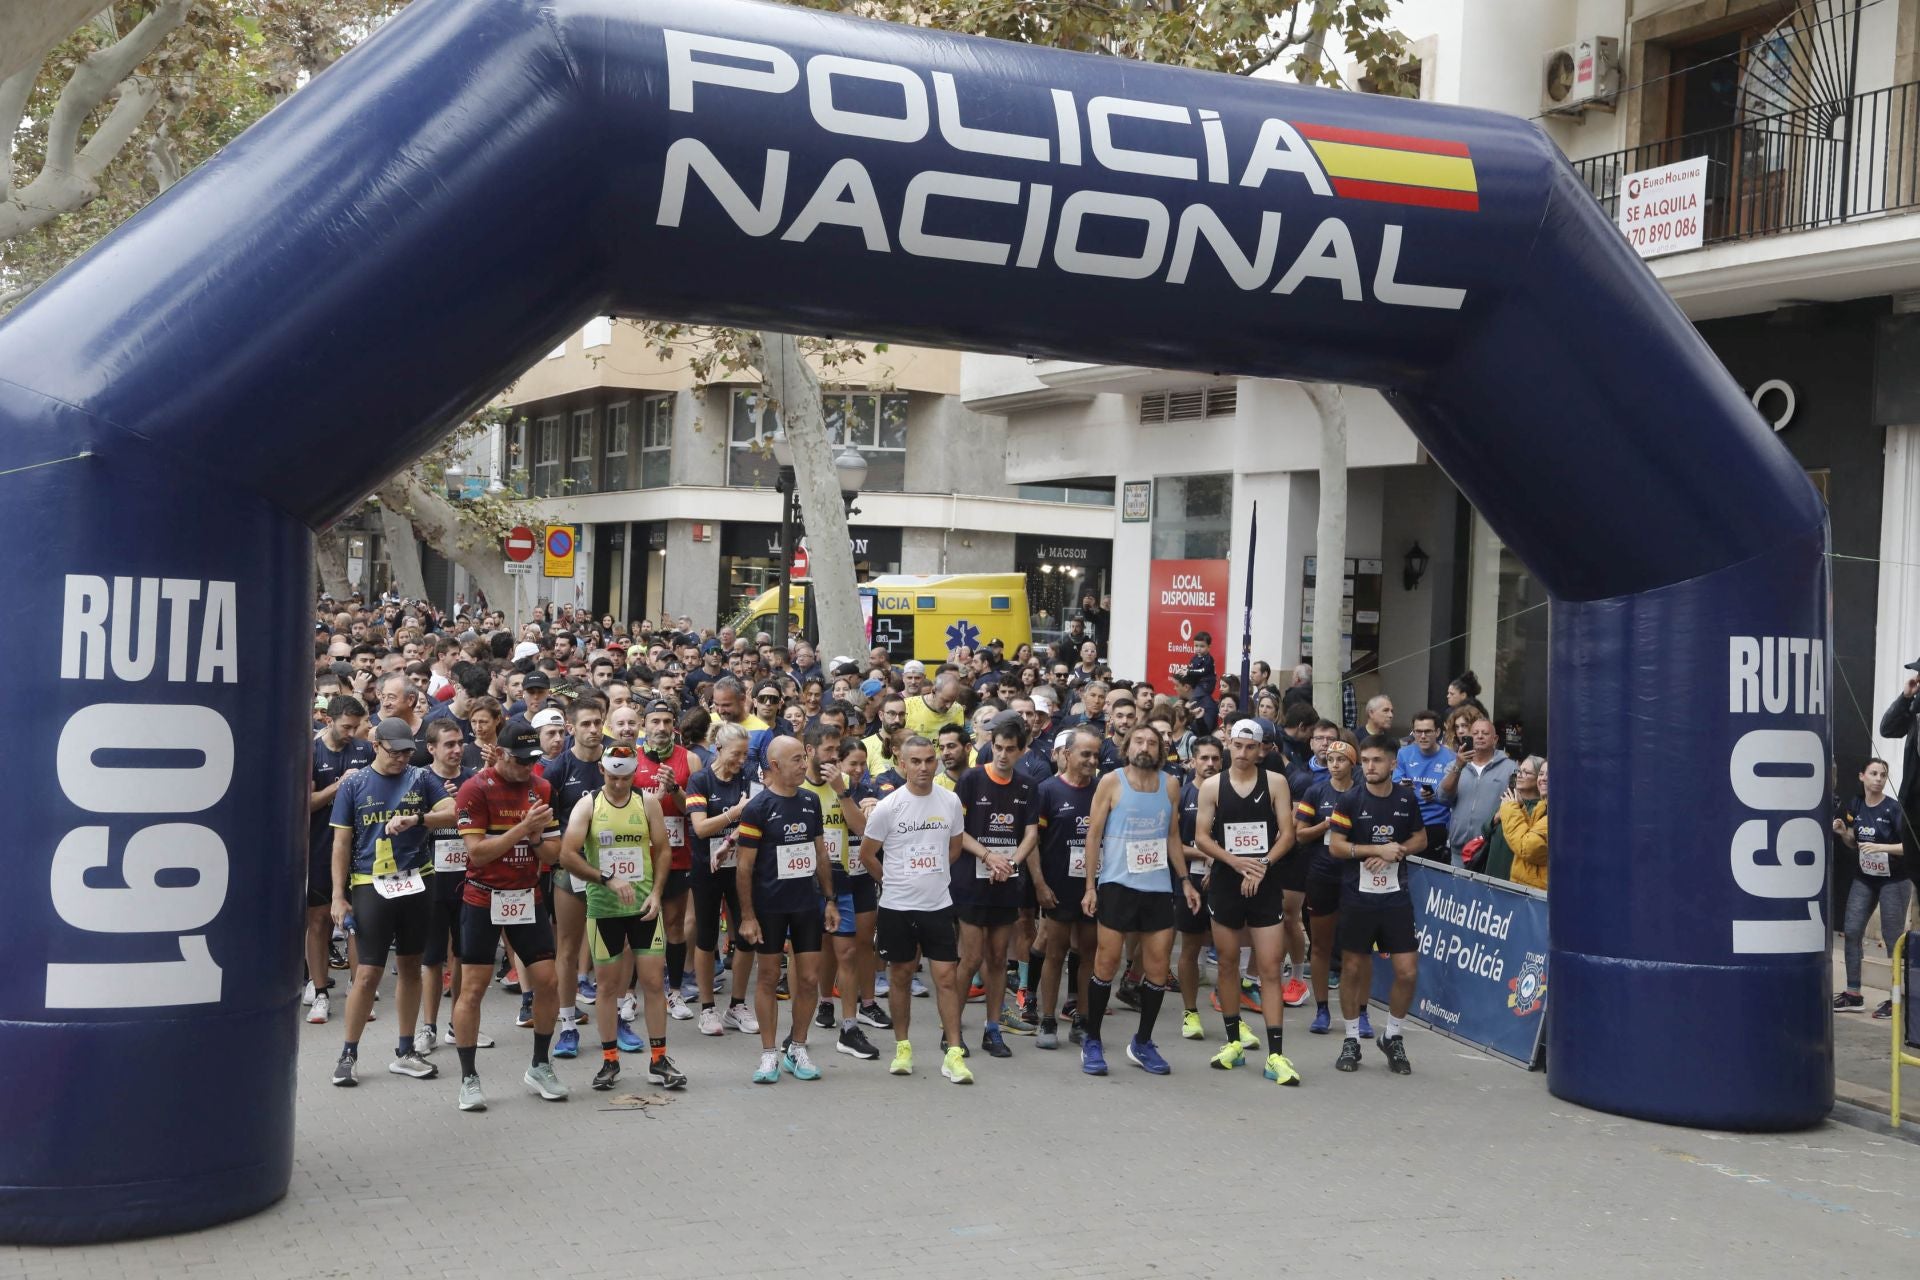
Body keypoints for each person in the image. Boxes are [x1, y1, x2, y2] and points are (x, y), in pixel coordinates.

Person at [327, 717, 454, 1087]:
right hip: (370, 884)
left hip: (418, 881)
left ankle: (405, 1050)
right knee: (367, 973)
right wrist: (339, 895)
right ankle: (348, 1053)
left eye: (406, 751)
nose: (401, 757)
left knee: (411, 966)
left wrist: (418, 819)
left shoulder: (420, 778)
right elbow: (341, 844)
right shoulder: (355, 784)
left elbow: (454, 813)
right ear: (375, 745)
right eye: (394, 750)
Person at [556, 742, 686, 1091]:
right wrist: (606, 878)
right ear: (603, 771)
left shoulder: (647, 803)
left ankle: (659, 1060)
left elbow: (663, 850)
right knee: (608, 987)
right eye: (613, 776)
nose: (619, 783)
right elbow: (567, 855)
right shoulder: (588, 806)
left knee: (654, 983)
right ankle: (609, 1061)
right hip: (604, 909)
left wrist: (657, 892)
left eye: (626, 776)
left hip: (643, 908)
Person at [452, 719, 567, 1112]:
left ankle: (540, 1065)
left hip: (527, 895)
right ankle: (468, 1077)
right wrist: (523, 829)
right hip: (483, 898)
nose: (526, 769)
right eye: (519, 761)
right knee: (473, 988)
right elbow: (477, 852)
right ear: (499, 753)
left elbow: (552, 856)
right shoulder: (474, 789)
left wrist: (536, 836)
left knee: (549, 982)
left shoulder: (541, 786)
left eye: (532, 761)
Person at [1079, 725, 1199, 1076]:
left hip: (1158, 886)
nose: (1145, 747)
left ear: (1161, 749)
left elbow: (1173, 836)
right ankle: (1093, 1039)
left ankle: (1142, 1042)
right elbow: (1094, 834)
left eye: (1152, 742)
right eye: (1139, 741)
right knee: (1107, 962)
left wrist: (1186, 881)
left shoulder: (1171, 784)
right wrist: (1090, 885)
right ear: (1127, 747)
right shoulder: (1111, 782)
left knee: (1158, 969)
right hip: (1117, 883)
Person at [857, 735, 972, 1083]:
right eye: (916, 761)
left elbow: (954, 849)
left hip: (938, 906)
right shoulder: (889, 806)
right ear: (902, 764)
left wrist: (933, 876)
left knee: (947, 978)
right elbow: (867, 854)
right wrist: (892, 883)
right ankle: (902, 1047)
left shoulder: (950, 801)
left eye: (929, 760)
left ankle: (954, 1053)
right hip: (897, 907)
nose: (924, 767)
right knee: (901, 976)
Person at [1194, 720, 1302, 1085]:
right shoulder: (1211, 786)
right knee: (1226, 965)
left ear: (1260, 750)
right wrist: (1235, 862)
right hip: (1227, 881)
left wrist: (1262, 865)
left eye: (1248, 747)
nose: (1241, 753)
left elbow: (1288, 833)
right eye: (1236, 746)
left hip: (1265, 882)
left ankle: (1275, 1055)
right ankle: (1233, 1043)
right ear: (1229, 745)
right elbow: (1202, 837)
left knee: (1270, 968)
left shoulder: (1275, 783)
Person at [735, 736, 838, 1083]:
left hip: (806, 905)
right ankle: (768, 1054)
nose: (803, 764)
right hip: (769, 907)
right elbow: (744, 867)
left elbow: (821, 854)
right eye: (796, 759)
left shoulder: (811, 801)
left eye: (804, 757)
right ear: (775, 766)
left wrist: (830, 899)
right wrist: (747, 916)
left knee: (809, 979)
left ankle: (798, 1046)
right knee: (766, 978)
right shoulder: (758, 808)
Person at [1328, 734, 1425, 1076]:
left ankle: (1393, 1036)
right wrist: (1373, 851)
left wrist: (1397, 849)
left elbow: (1421, 838)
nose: (1369, 766)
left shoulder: (1406, 798)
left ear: (1393, 764)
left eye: (1377, 760)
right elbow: (1336, 847)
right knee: (1352, 969)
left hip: (1396, 898)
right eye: (1365, 760)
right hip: (1358, 897)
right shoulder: (1351, 800)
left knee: (1407, 971)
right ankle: (1351, 1039)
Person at [952, 713, 1039, 1060]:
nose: (1003, 755)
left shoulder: (1027, 785)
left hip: (1006, 880)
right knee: (971, 957)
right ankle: (953, 1031)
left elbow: (1031, 834)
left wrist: (1011, 863)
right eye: (998, 748)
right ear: (990, 745)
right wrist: (989, 856)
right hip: (972, 879)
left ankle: (992, 1029)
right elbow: (957, 829)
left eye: (1010, 750)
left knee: (999, 957)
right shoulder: (972, 779)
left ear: (1021, 751)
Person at [797, 726, 883, 1061]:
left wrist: (842, 792)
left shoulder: (842, 786)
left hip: (840, 880)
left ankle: (849, 1028)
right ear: (810, 750)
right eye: (829, 750)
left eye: (837, 751)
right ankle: (800, 1028)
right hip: (803, 883)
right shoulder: (796, 787)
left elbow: (862, 829)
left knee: (846, 953)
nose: (834, 757)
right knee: (806, 959)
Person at [538, 693, 608, 1059]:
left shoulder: (617, 759)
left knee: (616, 947)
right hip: (571, 872)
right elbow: (547, 826)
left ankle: (619, 1020)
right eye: (586, 724)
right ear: (571, 728)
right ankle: (567, 1024)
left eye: (598, 722)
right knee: (567, 948)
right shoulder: (557, 770)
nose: (594, 730)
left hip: (615, 869)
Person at [684, 722, 759, 1036]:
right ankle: (707, 1008)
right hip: (706, 868)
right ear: (718, 749)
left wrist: (734, 832)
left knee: (746, 936)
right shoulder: (700, 780)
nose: (741, 760)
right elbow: (700, 828)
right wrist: (734, 813)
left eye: (745, 754)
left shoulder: (748, 777)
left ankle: (737, 1005)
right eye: (735, 754)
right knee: (706, 936)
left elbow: (757, 819)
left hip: (741, 869)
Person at [306, 694, 373, 1025]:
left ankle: (358, 989)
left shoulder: (363, 750)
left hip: (359, 849)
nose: (352, 732)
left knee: (356, 922)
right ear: (329, 720)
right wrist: (339, 786)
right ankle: (319, 992)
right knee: (318, 920)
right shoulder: (312, 750)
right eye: (346, 726)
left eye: (356, 726)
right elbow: (307, 803)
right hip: (319, 848)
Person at [417, 718, 479, 1057]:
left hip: (469, 880)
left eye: (459, 743)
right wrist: (438, 808)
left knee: (464, 955)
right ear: (431, 748)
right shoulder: (420, 779)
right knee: (432, 957)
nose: (456, 750)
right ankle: (428, 1026)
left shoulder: (474, 778)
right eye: (448, 745)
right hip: (431, 880)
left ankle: (459, 1023)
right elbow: (410, 824)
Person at [631, 700, 697, 1019]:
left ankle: (674, 993)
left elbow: (694, 812)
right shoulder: (630, 757)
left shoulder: (689, 759)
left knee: (673, 924)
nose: (660, 727)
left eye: (666, 721)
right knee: (634, 923)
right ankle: (628, 993)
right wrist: (652, 805)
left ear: (675, 726)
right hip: (639, 857)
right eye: (654, 721)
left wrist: (674, 790)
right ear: (645, 725)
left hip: (677, 855)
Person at [1834, 758, 1911, 1018]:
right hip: (1865, 878)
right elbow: (1854, 843)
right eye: (1874, 773)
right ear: (1862, 777)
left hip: (1895, 880)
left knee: (1892, 939)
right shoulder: (1855, 804)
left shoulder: (1894, 810)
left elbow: (1909, 847)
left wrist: (1882, 847)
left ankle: (1896, 998)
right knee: (1852, 930)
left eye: (1883, 775)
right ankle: (1853, 993)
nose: (1878, 778)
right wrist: (1844, 832)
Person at [1299, 733, 1359, 1036]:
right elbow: (1300, 834)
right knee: (1320, 945)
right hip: (1321, 874)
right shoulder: (1315, 792)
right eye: (1330, 759)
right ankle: (1322, 1009)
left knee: (1355, 947)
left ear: (1352, 763)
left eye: (1341, 760)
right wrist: (1326, 825)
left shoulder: (1362, 793)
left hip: (1354, 876)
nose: (1334, 764)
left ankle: (1358, 1013)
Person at [1172, 735, 1224, 1044]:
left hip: (1223, 881)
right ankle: (1190, 1012)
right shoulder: (1180, 795)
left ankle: (1231, 1009)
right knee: (1190, 947)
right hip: (1190, 880)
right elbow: (1174, 844)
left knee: (1228, 949)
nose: (1210, 764)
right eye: (1203, 758)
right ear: (1192, 761)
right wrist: (1206, 854)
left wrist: (1220, 864)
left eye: (1215, 759)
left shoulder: (1229, 793)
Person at [1439, 718, 1516, 867]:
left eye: (1485, 733)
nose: (1480, 736)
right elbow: (1443, 797)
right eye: (1475, 733)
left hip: (1491, 849)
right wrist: (1458, 767)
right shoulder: (1454, 764)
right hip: (1458, 851)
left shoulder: (1510, 768)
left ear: (1495, 739)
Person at [1394, 710, 1455, 856]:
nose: (1422, 736)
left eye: (1428, 731)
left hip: (1436, 823)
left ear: (1438, 732)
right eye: (1418, 731)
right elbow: (1394, 785)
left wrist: (1435, 796)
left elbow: (1454, 797)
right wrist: (1402, 787)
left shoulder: (1451, 758)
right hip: (1406, 819)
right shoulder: (1404, 753)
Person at [1481, 756, 1546, 885]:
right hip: (1491, 874)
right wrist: (1496, 818)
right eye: (1519, 771)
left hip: (1512, 879)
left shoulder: (1540, 809)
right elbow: (1485, 832)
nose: (1520, 776)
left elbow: (1525, 846)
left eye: (1526, 772)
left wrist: (1511, 811)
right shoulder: (1510, 800)